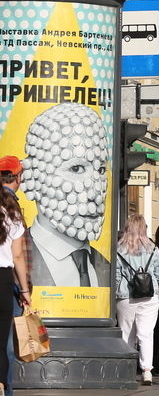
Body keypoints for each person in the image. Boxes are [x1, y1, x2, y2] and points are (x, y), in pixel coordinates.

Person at [23, 103, 110, 288]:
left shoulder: (106, 268)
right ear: (31, 176)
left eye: (101, 170)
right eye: (76, 168)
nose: (95, 193)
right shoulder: (15, 262)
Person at [115, 213, 159, 385]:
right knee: (146, 333)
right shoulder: (153, 248)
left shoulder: (119, 249)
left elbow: (116, 276)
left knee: (126, 333)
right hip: (149, 296)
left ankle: (127, 369)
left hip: (125, 296)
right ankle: (146, 371)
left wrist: (113, 295)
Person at [0, 171, 33, 396]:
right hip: (2, 279)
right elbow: (19, 256)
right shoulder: (11, 213)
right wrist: (24, 290)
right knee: (2, 344)